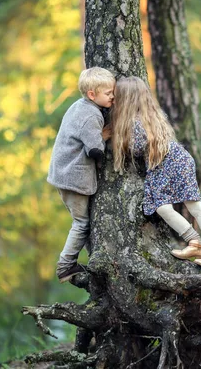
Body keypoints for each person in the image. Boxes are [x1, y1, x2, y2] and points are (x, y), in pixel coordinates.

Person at [110, 76, 201, 270]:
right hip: (166, 164)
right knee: (163, 208)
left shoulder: (136, 123)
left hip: (172, 163)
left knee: (195, 206)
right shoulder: (150, 115)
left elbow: (137, 148)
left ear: (126, 99)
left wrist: (113, 136)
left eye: (117, 97)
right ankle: (195, 243)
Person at [47, 67, 116, 282]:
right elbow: (94, 150)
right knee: (82, 223)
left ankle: (80, 262)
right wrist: (103, 137)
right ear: (92, 95)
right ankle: (65, 266)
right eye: (108, 93)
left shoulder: (79, 106)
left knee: (82, 221)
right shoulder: (92, 115)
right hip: (73, 178)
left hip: (62, 174)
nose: (113, 96)